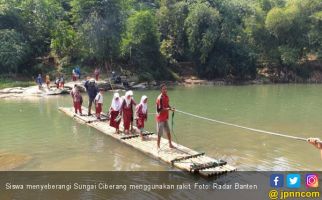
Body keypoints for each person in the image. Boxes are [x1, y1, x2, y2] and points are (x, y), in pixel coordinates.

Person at [156, 84, 175, 149]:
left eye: (166, 89)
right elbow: (160, 109)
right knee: (160, 133)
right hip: (160, 118)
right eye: (164, 89)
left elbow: (167, 105)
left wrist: (171, 108)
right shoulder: (160, 98)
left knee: (168, 131)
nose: (165, 90)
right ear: (161, 90)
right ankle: (158, 146)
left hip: (165, 117)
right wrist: (168, 109)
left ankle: (170, 144)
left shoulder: (166, 96)